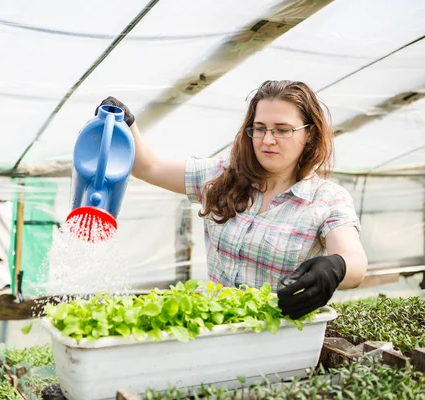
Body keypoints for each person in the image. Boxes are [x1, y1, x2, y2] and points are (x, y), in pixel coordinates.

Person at [95, 80, 368, 320]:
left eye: (282, 130)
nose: (267, 140)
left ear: (309, 134)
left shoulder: (326, 199)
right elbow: (149, 167)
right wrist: (126, 124)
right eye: (259, 128)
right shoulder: (223, 176)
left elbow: (355, 262)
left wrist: (336, 266)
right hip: (212, 328)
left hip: (278, 337)